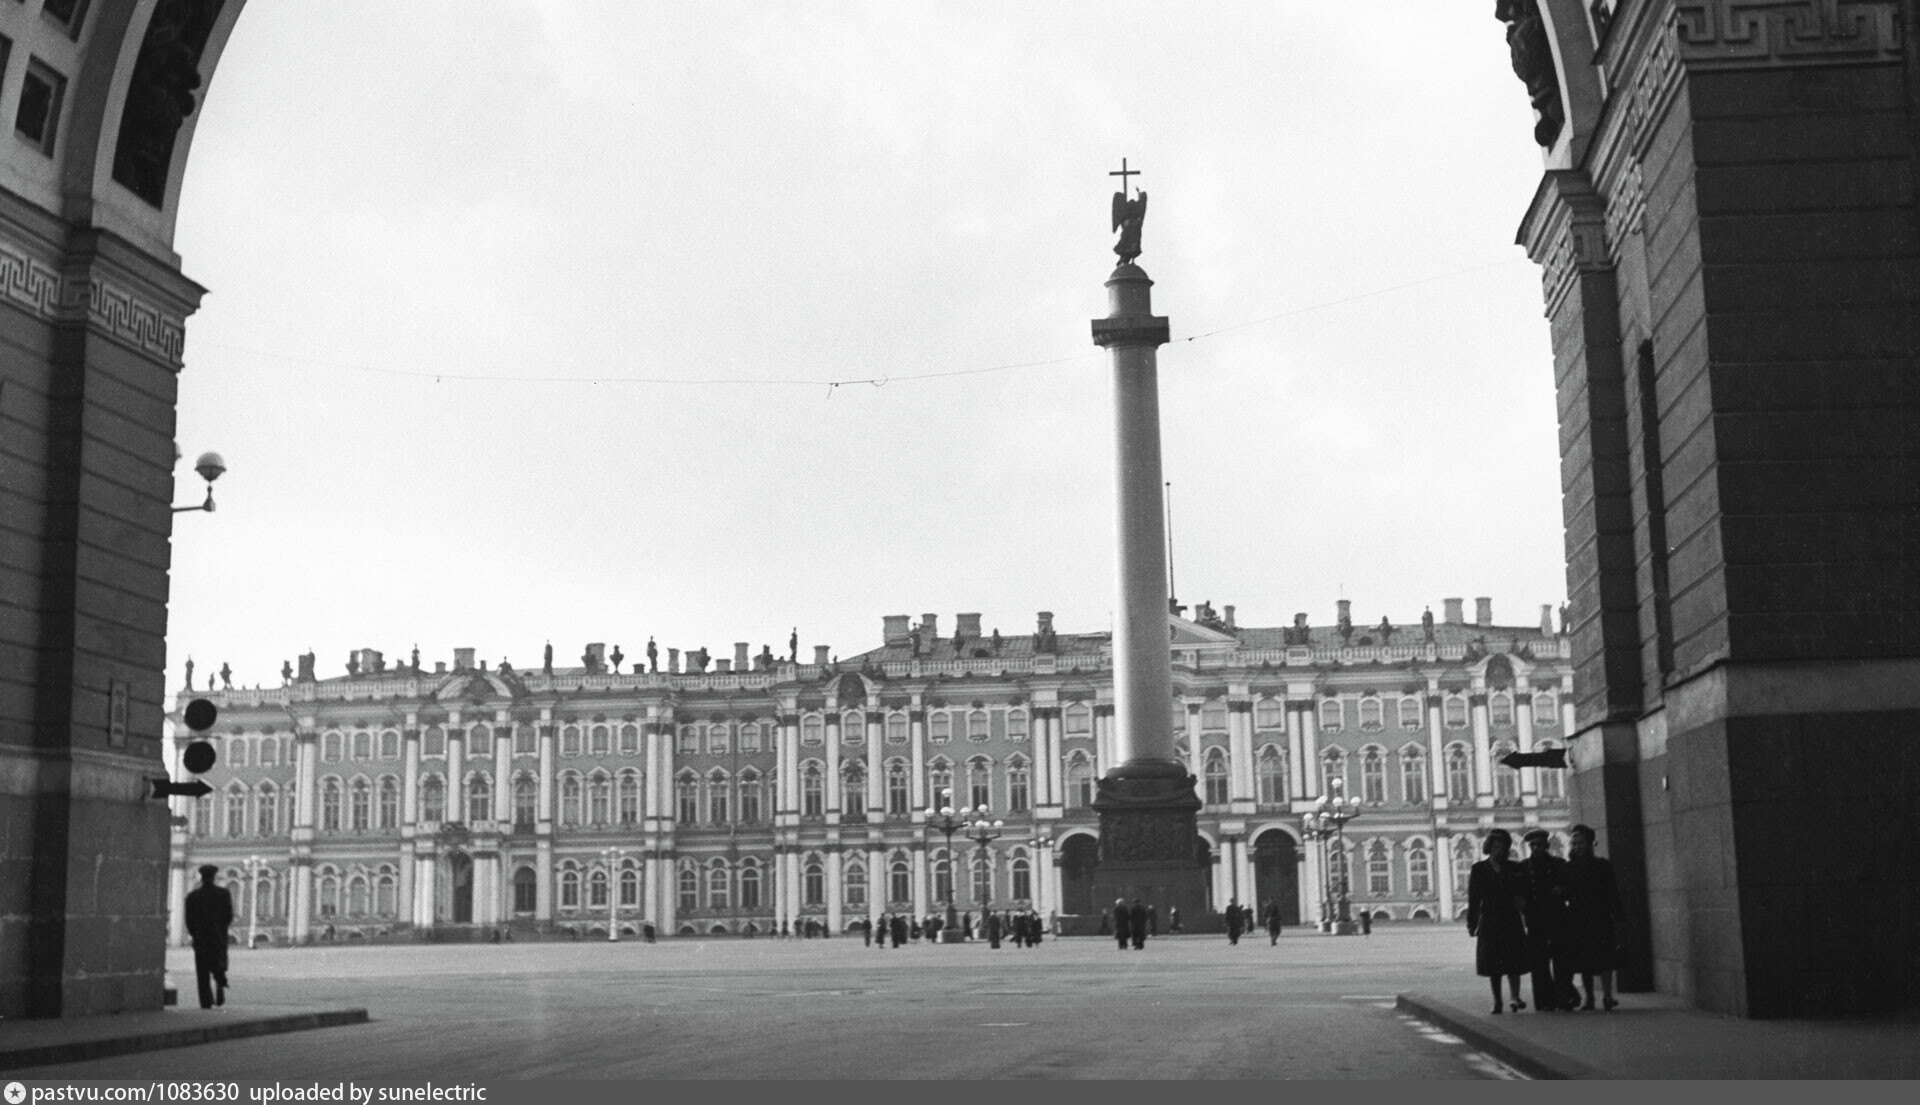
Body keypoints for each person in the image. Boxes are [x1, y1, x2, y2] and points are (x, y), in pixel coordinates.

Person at [1563, 824, 1625, 1011]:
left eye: (1580, 843)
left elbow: (1613, 892)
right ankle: (1589, 998)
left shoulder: (1602, 865)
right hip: (1578, 919)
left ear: (1590, 844)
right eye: (1574, 843)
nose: (1576, 847)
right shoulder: (1568, 868)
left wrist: (1618, 917)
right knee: (1584, 961)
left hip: (1600, 917)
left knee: (1606, 959)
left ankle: (1607, 995)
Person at [1467, 829, 1529, 1014]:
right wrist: (1472, 923)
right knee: (1493, 964)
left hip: (1510, 918)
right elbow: (1474, 899)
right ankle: (1497, 1001)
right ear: (1489, 848)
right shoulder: (1478, 869)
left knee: (1513, 962)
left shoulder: (1514, 868)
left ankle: (1514, 997)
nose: (1499, 851)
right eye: (1495, 847)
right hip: (1490, 919)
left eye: (1502, 847)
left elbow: (1522, 893)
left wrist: (1523, 906)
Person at [1519, 827, 1576, 1011]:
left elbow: (1571, 888)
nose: (1535, 848)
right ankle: (1544, 1001)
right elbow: (1520, 892)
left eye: (1539, 844)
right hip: (1535, 920)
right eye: (1532, 845)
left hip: (1557, 918)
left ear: (1547, 845)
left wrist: (1562, 890)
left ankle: (1564, 997)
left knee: (1561, 961)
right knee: (1539, 963)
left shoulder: (1559, 864)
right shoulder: (1524, 867)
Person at [184, 864, 233, 1009]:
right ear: (214, 877)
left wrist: (196, 934)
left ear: (201, 877)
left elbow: (189, 921)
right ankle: (220, 987)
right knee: (219, 963)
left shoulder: (192, 897)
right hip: (218, 937)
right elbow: (228, 916)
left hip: (201, 939)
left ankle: (205, 1001)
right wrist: (220, 929)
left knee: (202, 972)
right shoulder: (223, 894)